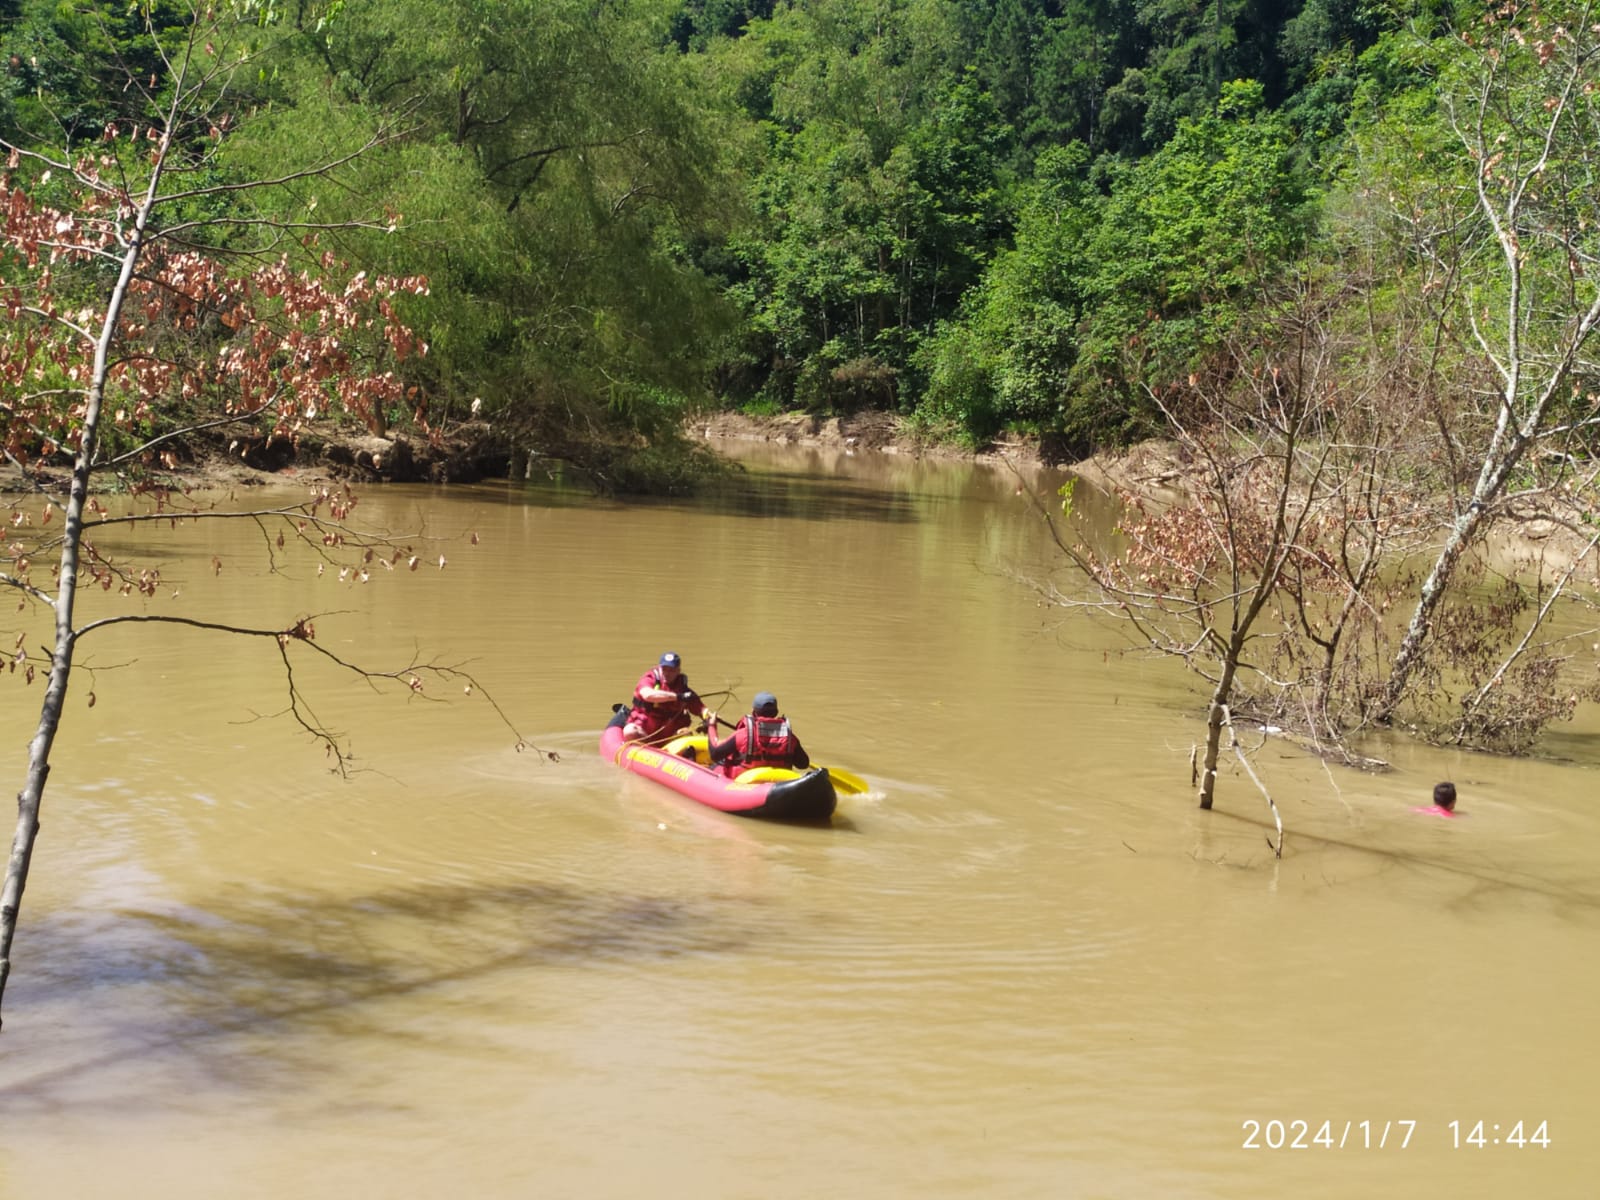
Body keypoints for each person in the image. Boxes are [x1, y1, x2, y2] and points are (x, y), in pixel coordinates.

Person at [622, 651, 716, 743]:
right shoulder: (649, 679)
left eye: (671, 670)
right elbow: (648, 695)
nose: (667, 673)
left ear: (678, 671)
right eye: (664, 669)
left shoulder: (684, 691)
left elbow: (702, 710)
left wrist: (708, 718)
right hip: (645, 731)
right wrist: (677, 697)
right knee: (629, 731)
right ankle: (649, 749)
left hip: (669, 735)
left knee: (686, 733)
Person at [708, 691, 810, 774]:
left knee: (715, 765)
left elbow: (714, 754)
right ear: (776, 713)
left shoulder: (743, 735)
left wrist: (711, 726)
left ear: (753, 712)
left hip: (746, 781)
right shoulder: (790, 738)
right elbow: (803, 764)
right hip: (778, 781)